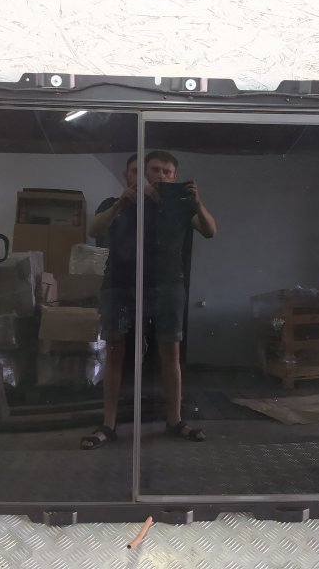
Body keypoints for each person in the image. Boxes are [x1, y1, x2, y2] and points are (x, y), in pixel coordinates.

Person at [81, 150, 217, 449]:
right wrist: (122, 202)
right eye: (155, 170)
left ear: (175, 176)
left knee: (171, 351)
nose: (161, 176)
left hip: (167, 286)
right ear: (140, 173)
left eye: (168, 172)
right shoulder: (117, 203)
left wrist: (197, 203)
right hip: (121, 285)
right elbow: (93, 230)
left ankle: (174, 420)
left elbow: (210, 231)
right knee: (115, 351)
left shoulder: (181, 206)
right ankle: (108, 424)